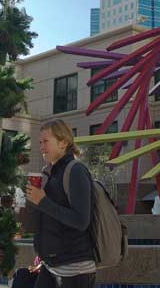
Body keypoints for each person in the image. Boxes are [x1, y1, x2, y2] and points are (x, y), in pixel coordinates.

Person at [25, 119, 96, 288]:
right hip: (50, 265)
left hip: (75, 269)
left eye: (46, 142)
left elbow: (81, 221)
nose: (41, 147)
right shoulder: (49, 173)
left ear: (64, 142)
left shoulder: (76, 171)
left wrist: (42, 202)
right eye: (40, 142)